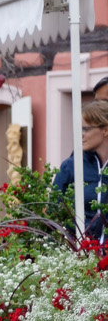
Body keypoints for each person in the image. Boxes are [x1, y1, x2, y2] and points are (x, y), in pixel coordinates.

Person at [50, 101, 108, 240]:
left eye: (86, 129)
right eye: (79, 129)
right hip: (78, 255)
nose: (81, 135)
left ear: (105, 130)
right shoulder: (70, 167)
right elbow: (53, 215)